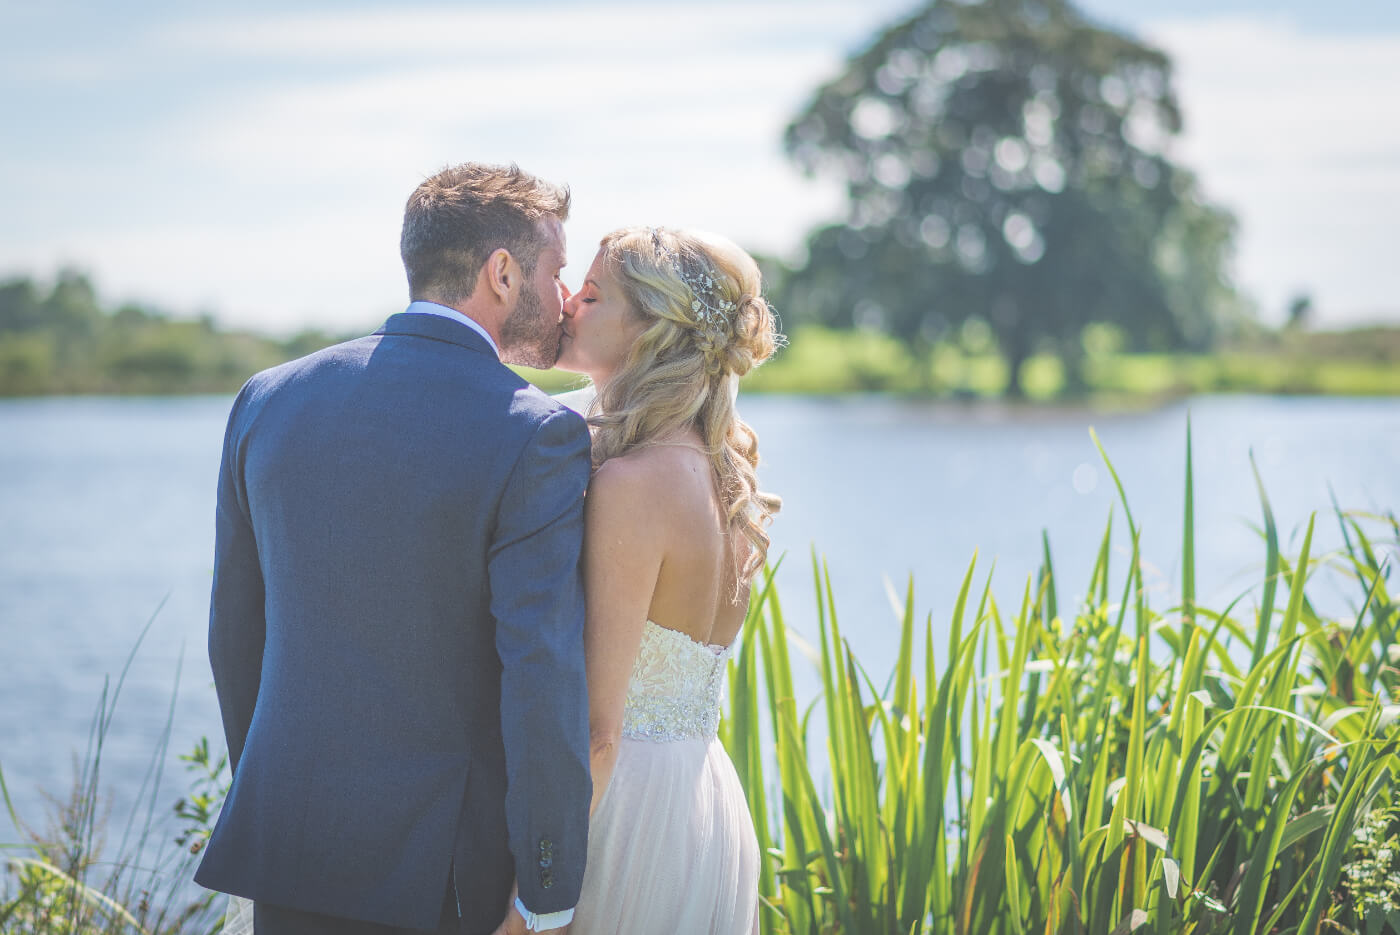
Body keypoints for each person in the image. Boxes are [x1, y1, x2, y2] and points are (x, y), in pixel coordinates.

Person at [195, 162, 593, 935]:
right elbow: (540, 672)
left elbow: (234, 635)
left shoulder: (268, 397)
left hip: (288, 847)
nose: (566, 297)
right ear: (502, 272)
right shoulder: (535, 431)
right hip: (443, 879)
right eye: (557, 269)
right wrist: (548, 889)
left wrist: (282, 800)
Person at [554, 226, 781, 933]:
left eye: (591, 295)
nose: (565, 303)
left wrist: (536, 898)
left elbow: (597, 728)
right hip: (704, 798)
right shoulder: (726, 481)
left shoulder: (632, 484)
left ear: (651, 330)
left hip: (623, 816)